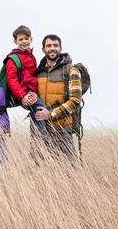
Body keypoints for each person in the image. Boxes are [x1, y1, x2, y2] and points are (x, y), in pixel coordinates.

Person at [34, 34, 83, 162]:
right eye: (49, 46)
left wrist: (50, 114)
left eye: (55, 46)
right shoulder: (38, 72)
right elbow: (32, 99)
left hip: (62, 129)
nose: (52, 48)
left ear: (60, 48)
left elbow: (75, 101)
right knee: (39, 171)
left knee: (69, 170)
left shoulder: (71, 70)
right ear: (43, 49)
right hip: (40, 129)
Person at [3, 25, 49, 142]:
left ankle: (38, 139)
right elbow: (11, 79)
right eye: (20, 39)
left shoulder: (31, 57)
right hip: (25, 91)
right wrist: (22, 95)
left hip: (32, 90)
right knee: (41, 109)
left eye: (26, 38)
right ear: (15, 41)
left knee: (37, 112)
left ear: (31, 39)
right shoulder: (13, 58)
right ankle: (42, 140)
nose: (24, 41)